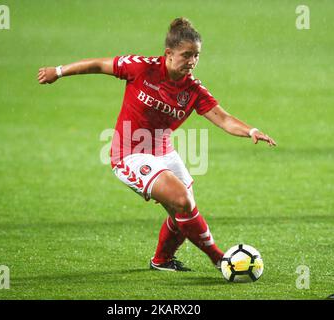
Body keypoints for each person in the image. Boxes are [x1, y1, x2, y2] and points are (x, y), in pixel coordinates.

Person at [38, 17, 276, 272]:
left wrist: (250, 130)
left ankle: (162, 260)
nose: (192, 61)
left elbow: (224, 119)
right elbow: (98, 64)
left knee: (184, 210)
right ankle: (220, 259)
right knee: (182, 200)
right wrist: (59, 71)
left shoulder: (193, 89)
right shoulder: (141, 68)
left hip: (164, 153)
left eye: (197, 55)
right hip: (129, 154)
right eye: (187, 55)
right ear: (168, 54)